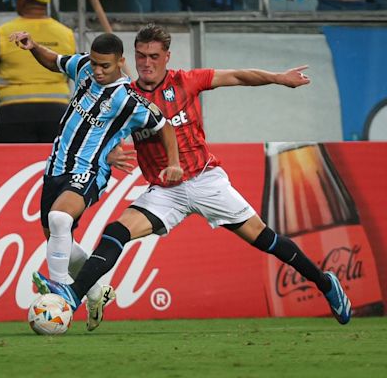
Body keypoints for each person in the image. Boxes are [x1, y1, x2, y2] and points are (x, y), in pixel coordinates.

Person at [32, 23, 352, 329]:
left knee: (265, 239)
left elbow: (238, 76)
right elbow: (102, 131)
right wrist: (111, 152)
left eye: (154, 56)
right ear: (133, 57)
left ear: (167, 57)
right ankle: (72, 297)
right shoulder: (123, 96)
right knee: (117, 232)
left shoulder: (187, 81)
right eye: (141, 56)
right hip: (164, 191)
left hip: (205, 180)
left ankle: (325, 284)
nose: (147, 63)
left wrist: (279, 77)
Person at [10, 29, 184, 328]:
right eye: (95, 64)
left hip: (88, 171)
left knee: (60, 220)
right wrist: (33, 46)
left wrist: (174, 162)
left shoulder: (128, 100)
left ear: (120, 63)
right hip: (55, 168)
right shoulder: (83, 68)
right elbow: (54, 62)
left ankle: (60, 291)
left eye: (106, 65)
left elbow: (164, 125)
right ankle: (95, 293)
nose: (99, 71)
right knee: (57, 235)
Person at [0, 0, 76, 143]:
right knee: (56, 163)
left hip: (14, 113)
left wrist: (9, 96)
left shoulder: (3, 32)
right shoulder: (66, 33)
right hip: (57, 112)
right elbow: (70, 71)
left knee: (14, 163)